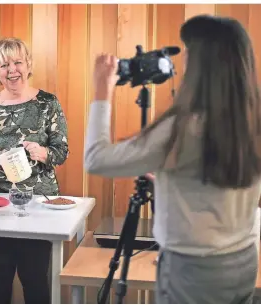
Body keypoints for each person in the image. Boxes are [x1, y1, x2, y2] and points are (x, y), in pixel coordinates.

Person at [84, 15, 261, 304]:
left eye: (188, 54)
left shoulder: (180, 128)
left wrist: (102, 90)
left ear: (201, 66)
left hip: (194, 271)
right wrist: (173, 183)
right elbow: (220, 174)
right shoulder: (251, 120)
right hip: (242, 262)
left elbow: (96, 159)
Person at [0, 37, 69, 304]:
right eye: (4, 64)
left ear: (28, 65)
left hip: (38, 202)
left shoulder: (48, 103)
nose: (12, 70)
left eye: (18, 62)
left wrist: (43, 153)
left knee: (34, 277)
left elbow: (61, 151)